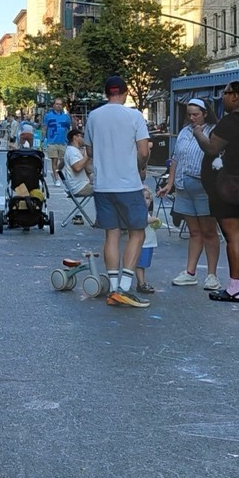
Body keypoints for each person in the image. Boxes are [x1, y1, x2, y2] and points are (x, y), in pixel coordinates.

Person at [83, 75, 153, 307]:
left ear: (106, 93)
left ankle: (113, 287)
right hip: (128, 184)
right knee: (137, 231)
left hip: (103, 184)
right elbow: (143, 151)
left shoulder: (94, 116)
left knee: (111, 234)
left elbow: (90, 151)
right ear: (125, 93)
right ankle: (124, 287)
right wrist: (140, 168)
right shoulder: (134, 116)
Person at [194, 81, 239, 303]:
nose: (222, 98)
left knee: (233, 235)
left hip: (230, 187)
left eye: (225, 94)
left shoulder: (231, 121)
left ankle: (234, 287)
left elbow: (212, 147)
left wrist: (198, 134)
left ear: (235, 97)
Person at [158, 100, 222, 291]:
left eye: (196, 114)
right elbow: (176, 158)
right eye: (190, 114)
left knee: (209, 231)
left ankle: (212, 275)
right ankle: (190, 272)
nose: (192, 118)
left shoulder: (213, 130)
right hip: (183, 185)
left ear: (205, 113)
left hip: (204, 186)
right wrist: (170, 183)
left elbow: (216, 154)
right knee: (194, 232)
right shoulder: (185, 131)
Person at [59, 128, 96, 226]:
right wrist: (88, 156)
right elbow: (77, 167)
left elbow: (87, 170)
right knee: (104, 190)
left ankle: (100, 219)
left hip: (78, 184)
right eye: (82, 136)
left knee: (101, 185)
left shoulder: (73, 150)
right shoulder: (72, 151)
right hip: (79, 187)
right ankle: (101, 219)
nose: (84, 139)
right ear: (75, 137)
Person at [42, 98, 73, 183]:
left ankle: (56, 172)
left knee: (63, 161)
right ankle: (56, 178)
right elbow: (44, 128)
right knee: (54, 160)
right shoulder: (48, 116)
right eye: (57, 104)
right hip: (52, 142)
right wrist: (42, 140)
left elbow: (69, 128)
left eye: (60, 104)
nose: (58, 105)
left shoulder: (66, 117)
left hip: (63, 141)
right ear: (54, 105)